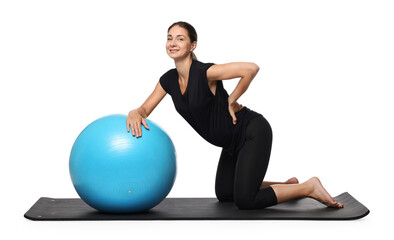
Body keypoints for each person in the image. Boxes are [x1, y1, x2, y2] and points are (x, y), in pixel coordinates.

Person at [126, 21, 343, 209]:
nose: (173, 43)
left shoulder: (206, 73)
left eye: (180, 38)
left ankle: (308, 187)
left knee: (245, 201)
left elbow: (251, 68)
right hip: (230, 143)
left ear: (192, 45)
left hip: (251, 131)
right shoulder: (168, 80)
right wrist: (134, 112)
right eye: (169, 38)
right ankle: (287, 187)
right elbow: (144, 110)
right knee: (225, 194)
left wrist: (232, 98)